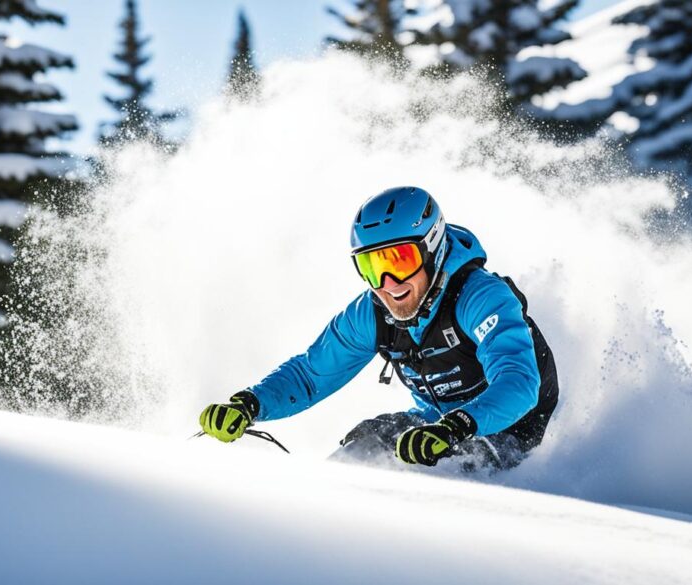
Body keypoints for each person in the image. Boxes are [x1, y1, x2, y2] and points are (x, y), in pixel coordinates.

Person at [198, 187, 559, 471]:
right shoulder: (372, 313)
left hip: (514, 426)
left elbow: (519, 382)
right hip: (436, 424)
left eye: (400, 261)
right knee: (366, 447)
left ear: (431, 248)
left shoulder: (479, 295)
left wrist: (458, 426)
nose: (388, 283)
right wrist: (249, 404)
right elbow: (311, 374)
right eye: (371, 267)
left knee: (458, 464)